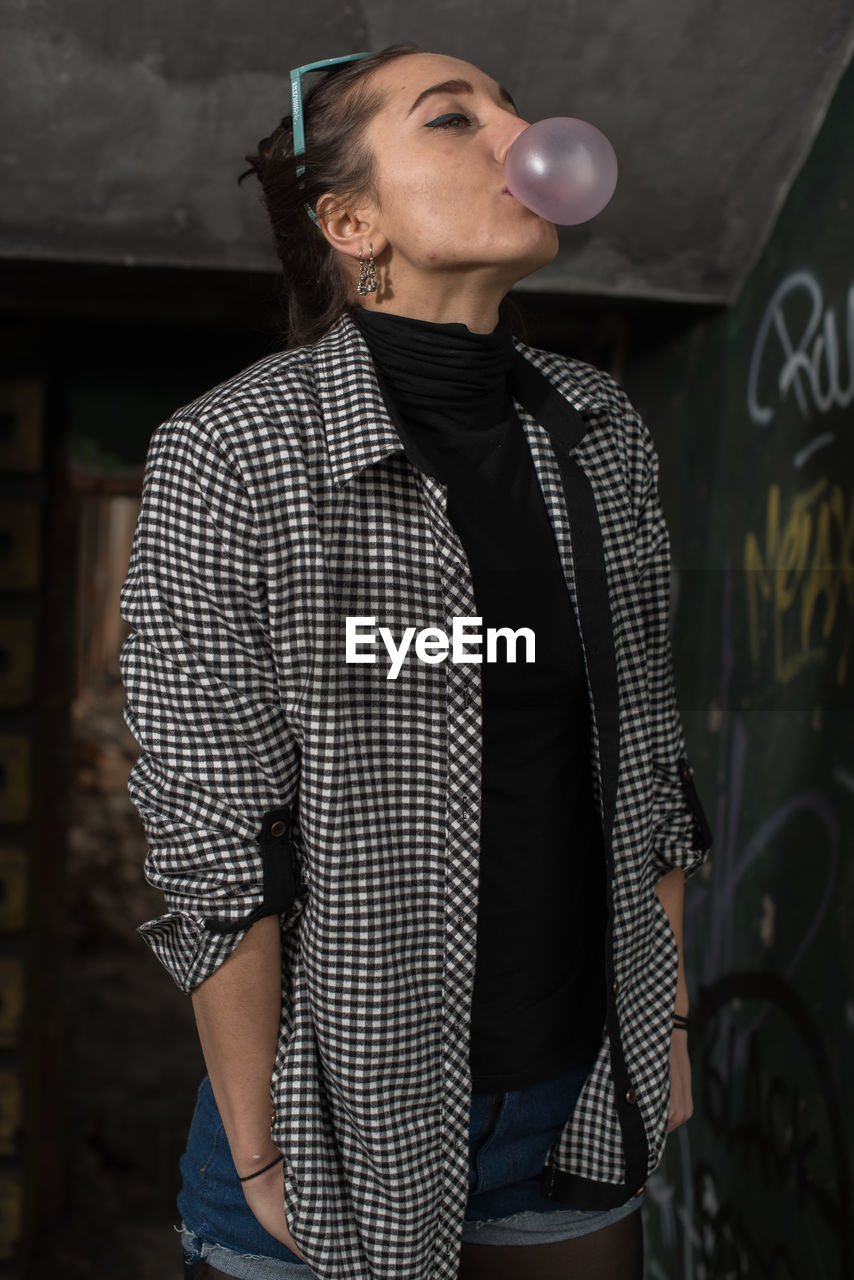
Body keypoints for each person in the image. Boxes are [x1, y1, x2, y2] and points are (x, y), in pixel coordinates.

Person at [120, 44, 712, 1280]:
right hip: (328, 1129)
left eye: (513, 106)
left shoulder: (599, 433)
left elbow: (648, 766)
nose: (521, 133)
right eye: (456, 119)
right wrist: (256, 1149)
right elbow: (212, 837)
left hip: (571, 1102)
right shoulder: (227, 455)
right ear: (352, 221)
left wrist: (663, 1024)